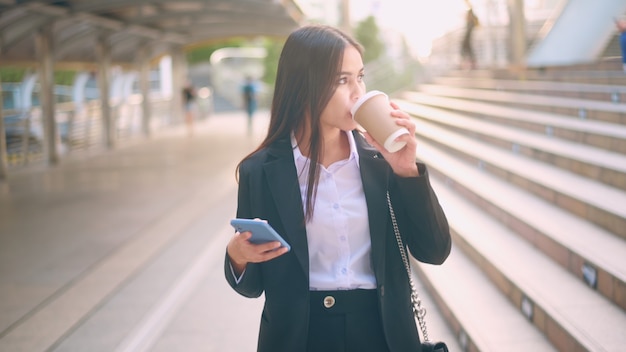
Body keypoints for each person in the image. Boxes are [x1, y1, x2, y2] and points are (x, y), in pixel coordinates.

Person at [224, 25, 451, 352]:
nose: (357, 92)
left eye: (360, 76)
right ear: (304, 85)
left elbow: (435, 250)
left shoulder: (382, 162)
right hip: (302, 338)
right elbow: (254, 286)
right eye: (342, 80)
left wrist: (406, 171)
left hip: (383, 333)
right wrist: (237, 256)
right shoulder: (260, 171)